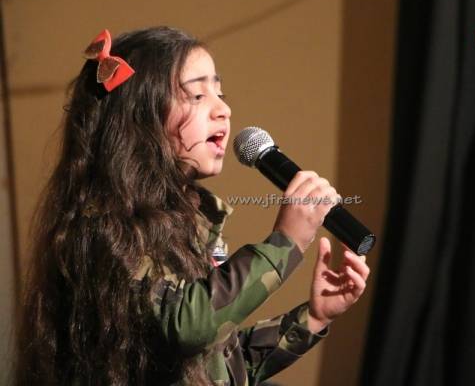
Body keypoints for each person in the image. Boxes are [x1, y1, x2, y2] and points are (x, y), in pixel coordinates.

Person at [15, 26, 370, 385]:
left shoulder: (194, 221)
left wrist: (313, 319)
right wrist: (285, 242)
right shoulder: (105, 225)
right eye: (198, 95)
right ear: (139, 117)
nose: (224, 109)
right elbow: (188, 326)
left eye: (220, 93)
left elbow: (216, 366)